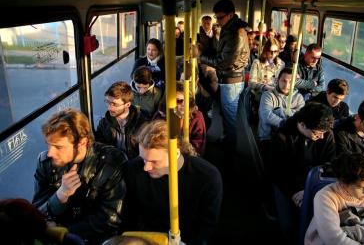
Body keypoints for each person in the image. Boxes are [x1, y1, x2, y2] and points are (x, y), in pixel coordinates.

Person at [32, 108, 126, 244]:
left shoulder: (111, 162)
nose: (50, 153)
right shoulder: (45, 162)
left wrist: (63, 231)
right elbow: (36, 211)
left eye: (58, 147)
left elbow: (110, 218)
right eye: (49, 145)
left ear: (82, 143)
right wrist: (60, 196)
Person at [123, 120, 223, 245]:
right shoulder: (133, 170)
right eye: (143, 159)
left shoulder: (207, 177)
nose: (146, 168)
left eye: (154, 161)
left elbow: (206, 226)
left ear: (175, 153)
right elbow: (129, 216)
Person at [193, 0, 249, 145]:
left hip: (231, 80)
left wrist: (200, 56)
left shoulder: (235, 33)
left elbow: (223, 62)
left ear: (230, 15)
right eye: (216, 17)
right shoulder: (229, 28)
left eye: (220, 17)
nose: (217, 21)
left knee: (229, 117)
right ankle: (227, 139)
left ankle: (229, 148)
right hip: (230, 78)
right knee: (226, 114)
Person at [263, 102, 335, 207]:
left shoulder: (326, 133)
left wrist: (313, 188)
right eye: (317, 133)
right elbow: (278, 172)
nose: (322, 137)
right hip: (290, 183)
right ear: (302, 124)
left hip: (315, 182)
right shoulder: (282, 137)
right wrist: (295, 192)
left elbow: (330, 164)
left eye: (324, 132)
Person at [95, 81, 146, 159]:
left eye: (114, 104)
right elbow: (99, 145)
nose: (109, 108)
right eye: (108, 102)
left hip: (134, 162)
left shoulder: (142, 124)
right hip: (112, 161)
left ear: (127, 105)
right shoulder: (104, 123)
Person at [153, 82, 206, 156]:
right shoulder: (160, 115)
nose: (184, 104)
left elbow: (198, 146)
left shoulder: (196, 116)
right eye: (179, 101)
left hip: (187, 157)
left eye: (187, 100)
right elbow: (155, 140)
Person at [258, 67, 305, 142]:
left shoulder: (299, 98)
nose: (286, 85)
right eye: (284, 81)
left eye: (290, 82)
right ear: (277, 80)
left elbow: (301, 117)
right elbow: (266, 115)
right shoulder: (268, 95)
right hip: (269, 137)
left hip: (290, 136)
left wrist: (278, 112)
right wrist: (287, 122)